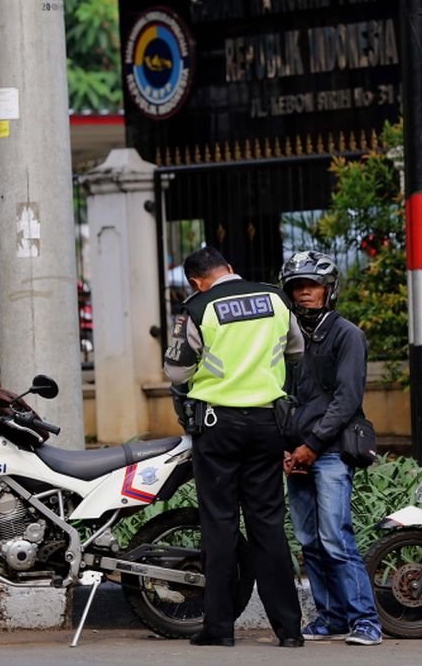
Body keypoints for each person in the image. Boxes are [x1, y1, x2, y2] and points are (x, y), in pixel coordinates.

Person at [163, 246, 305, 647]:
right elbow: (296, 350)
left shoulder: (198, 307)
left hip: (218, 427)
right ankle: (289, 631)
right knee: (268, 527)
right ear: (230, 267)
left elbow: (176, 370)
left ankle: (219, 629)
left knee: (220, 526)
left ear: (196, 280)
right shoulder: (275, 298)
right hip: (266, 424)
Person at [279, 251, 383, 646]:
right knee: (308, 540)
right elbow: (280, 395)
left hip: (332, 451)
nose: (304, 292)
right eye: (297, 287)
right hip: (296, 452)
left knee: (336, 538)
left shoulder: (347, 335)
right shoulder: (286, 339)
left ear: (328, 289)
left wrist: (312, 445)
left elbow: (347, 398)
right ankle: (330, 618)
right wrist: (286, 447)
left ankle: (366, 621)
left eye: (312, 285)